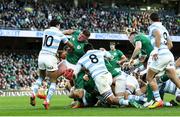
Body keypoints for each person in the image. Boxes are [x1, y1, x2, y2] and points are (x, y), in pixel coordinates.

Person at [30, 19, 73, 109]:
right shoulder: (60, 34)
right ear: (57, 25)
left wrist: (65, 32)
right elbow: (70, 45)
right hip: (50, 57)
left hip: (41, 56)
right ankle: (47, 101)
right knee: (53, 81)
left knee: (41, 77)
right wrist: (72, 47)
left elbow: (56, 33)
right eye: (59, 25)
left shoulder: (46, 31)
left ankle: (33, 93)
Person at [146, 12, 180, 109]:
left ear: (150, 19)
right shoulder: (164, 28)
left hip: (161, 54)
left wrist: (157, 50)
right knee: (174, 79)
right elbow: (171, 44)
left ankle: (158, 100)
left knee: (149, 77)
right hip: (169, 55)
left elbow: (157, 35)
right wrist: (164, 51)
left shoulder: (153, 27)